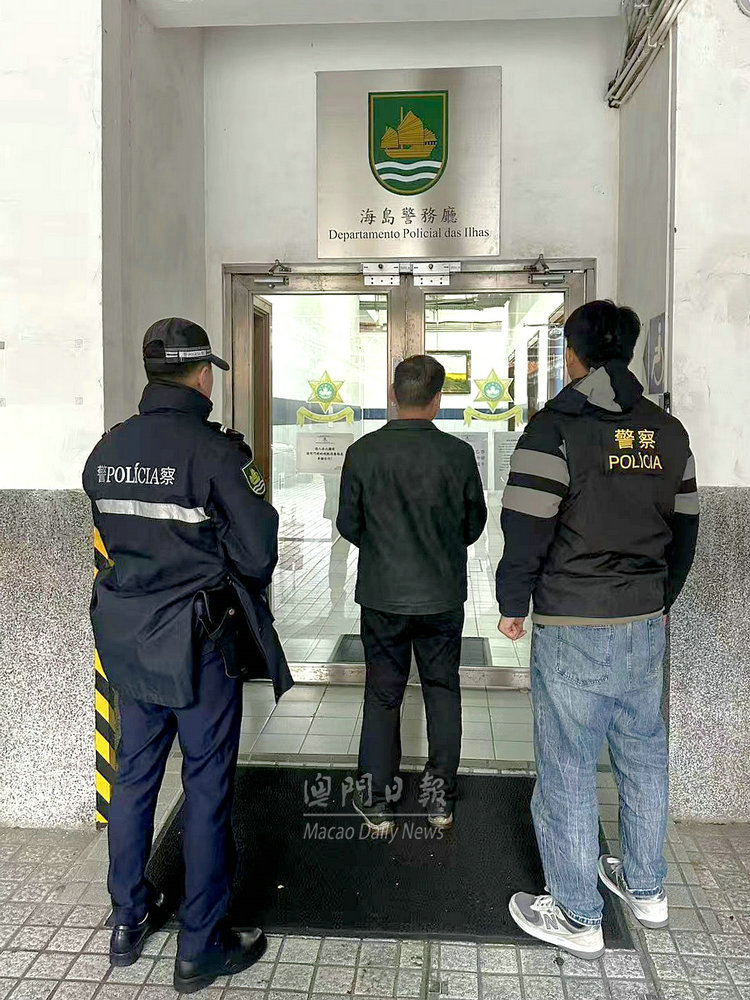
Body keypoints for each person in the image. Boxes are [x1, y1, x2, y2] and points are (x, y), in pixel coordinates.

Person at [83, 318, 293, 993]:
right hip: (199, 645)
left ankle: (128, 919)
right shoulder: (216, 454)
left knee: (134, 777)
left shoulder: (108, 448)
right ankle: (201, 946)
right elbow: (258, 552)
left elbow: (115, 533)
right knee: (205, 786)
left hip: (130, 639)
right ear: (202, 375)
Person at [497, 301, 699, 960]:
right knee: (643, 755)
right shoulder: (667, 432)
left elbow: (526, 525)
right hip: (643, 620)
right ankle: (646, 888)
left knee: (568, 765)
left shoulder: (555, 428)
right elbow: (687, 529)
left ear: (573, 356)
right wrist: (661, 597)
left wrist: (513, 601)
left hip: (574, 620)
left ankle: (578, 915)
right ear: (630, 351)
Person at [337, 355, 487, 835]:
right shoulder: (458, 455)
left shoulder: (363, 453)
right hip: (441, 595)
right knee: (442, 690)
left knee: (383, 695)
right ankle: (439, 799)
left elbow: (348, 523)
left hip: (382, 596)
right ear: (437, 400)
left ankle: (377, 801)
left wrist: (383, 549)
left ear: (393, 395)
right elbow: (474, 523)